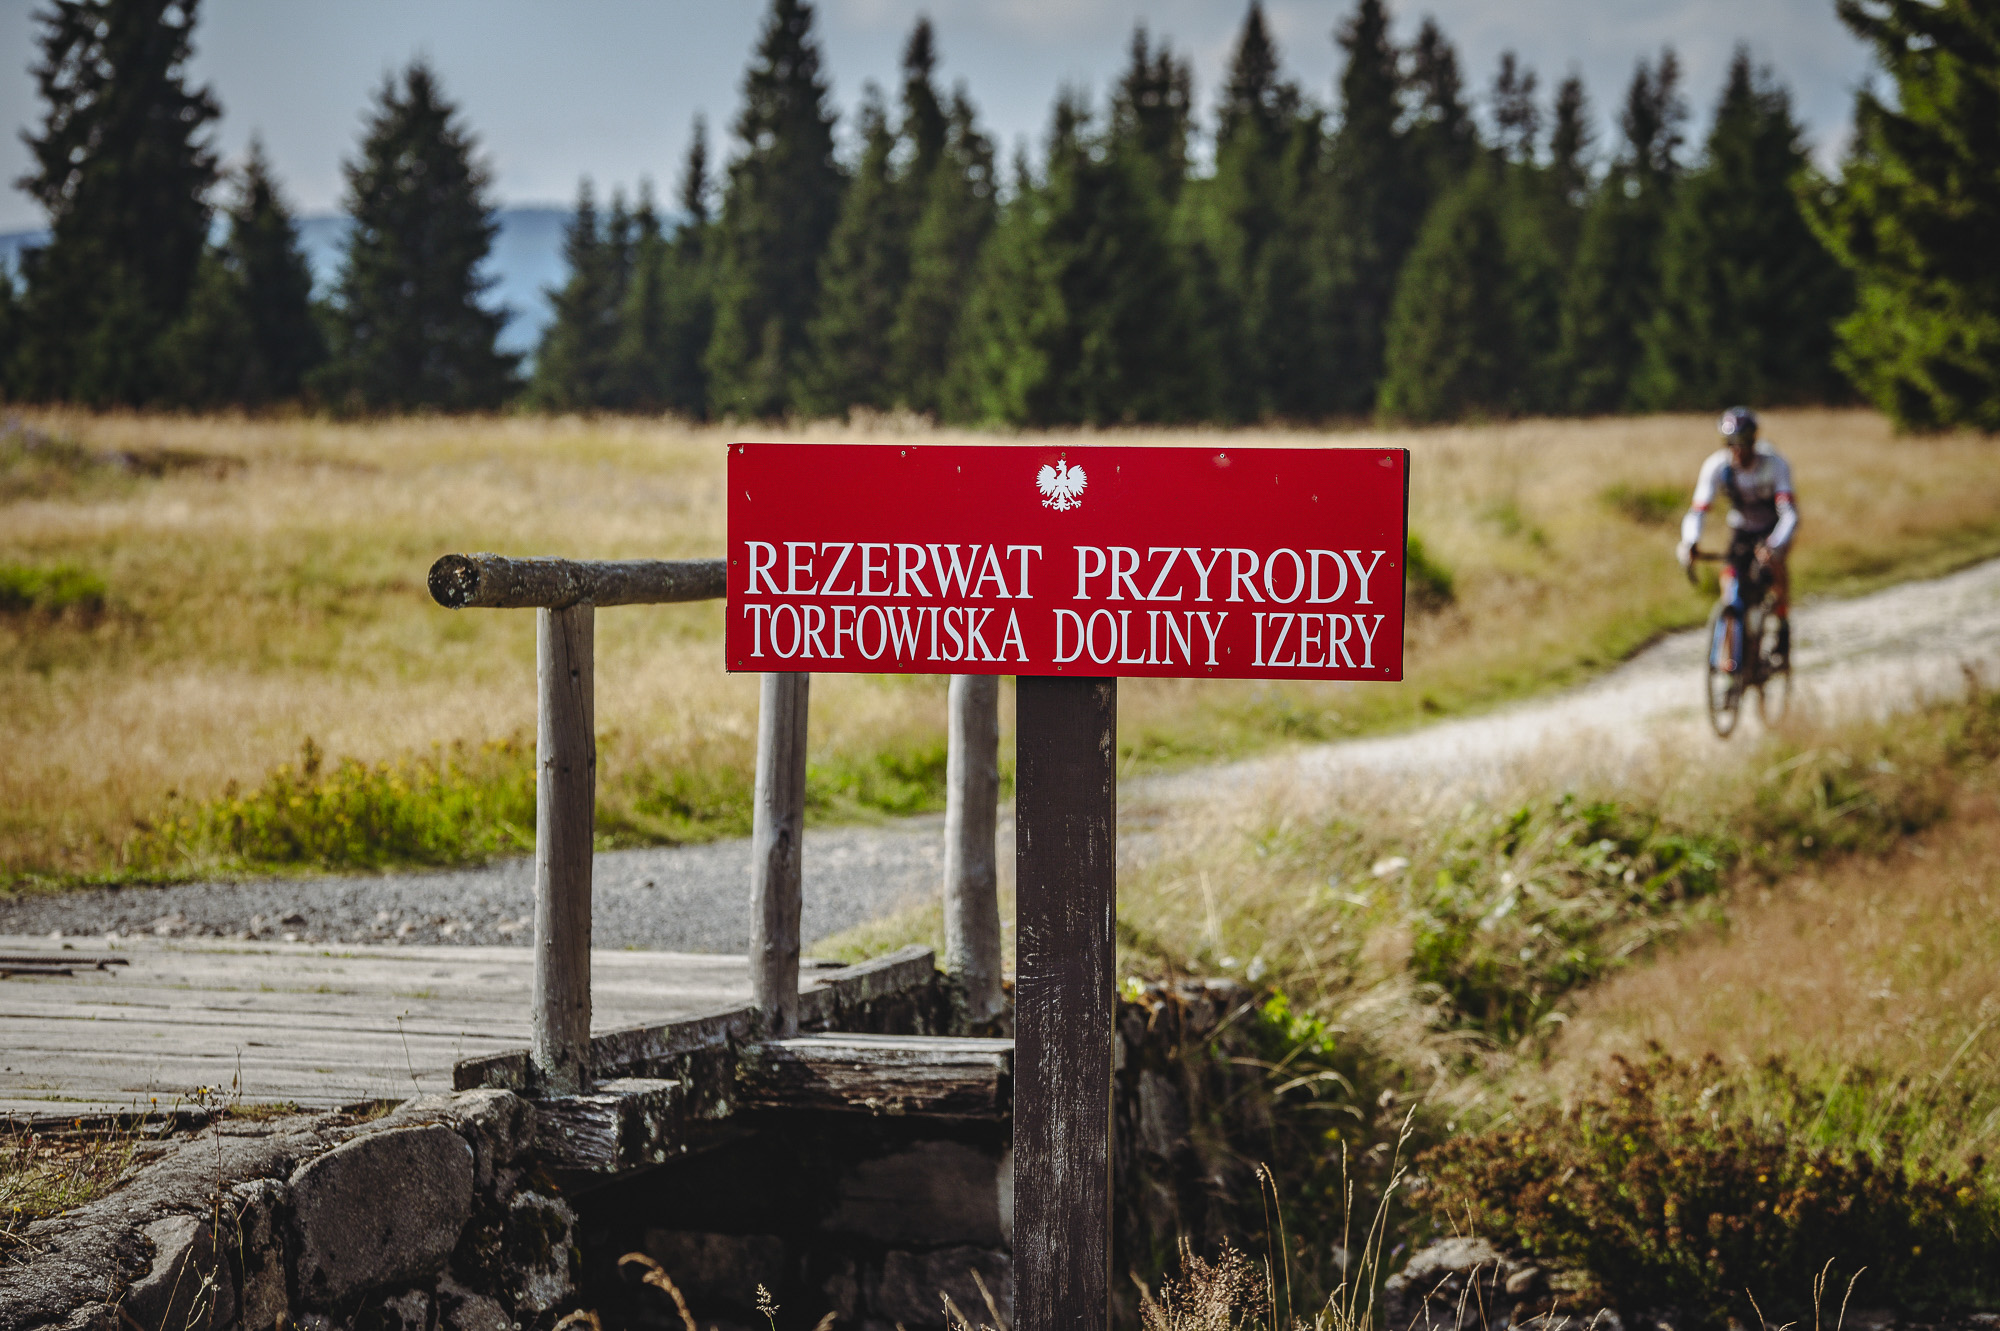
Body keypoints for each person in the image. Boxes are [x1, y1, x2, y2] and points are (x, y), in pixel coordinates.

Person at [1677, 406, 1797, 667]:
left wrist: (1774, 545)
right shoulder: (1717, 466)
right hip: (1742, 529)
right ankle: (1732, 661)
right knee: (1730, 589)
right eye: (1731, 444)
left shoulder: (1774, 463)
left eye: (1743, 443)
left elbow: (1789, 514)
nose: (1738, 450)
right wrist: (1690, 542)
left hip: (1772, 527)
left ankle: (1782, 625)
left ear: (1754, 441)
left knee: (1774, 570)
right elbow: (1697, 510)